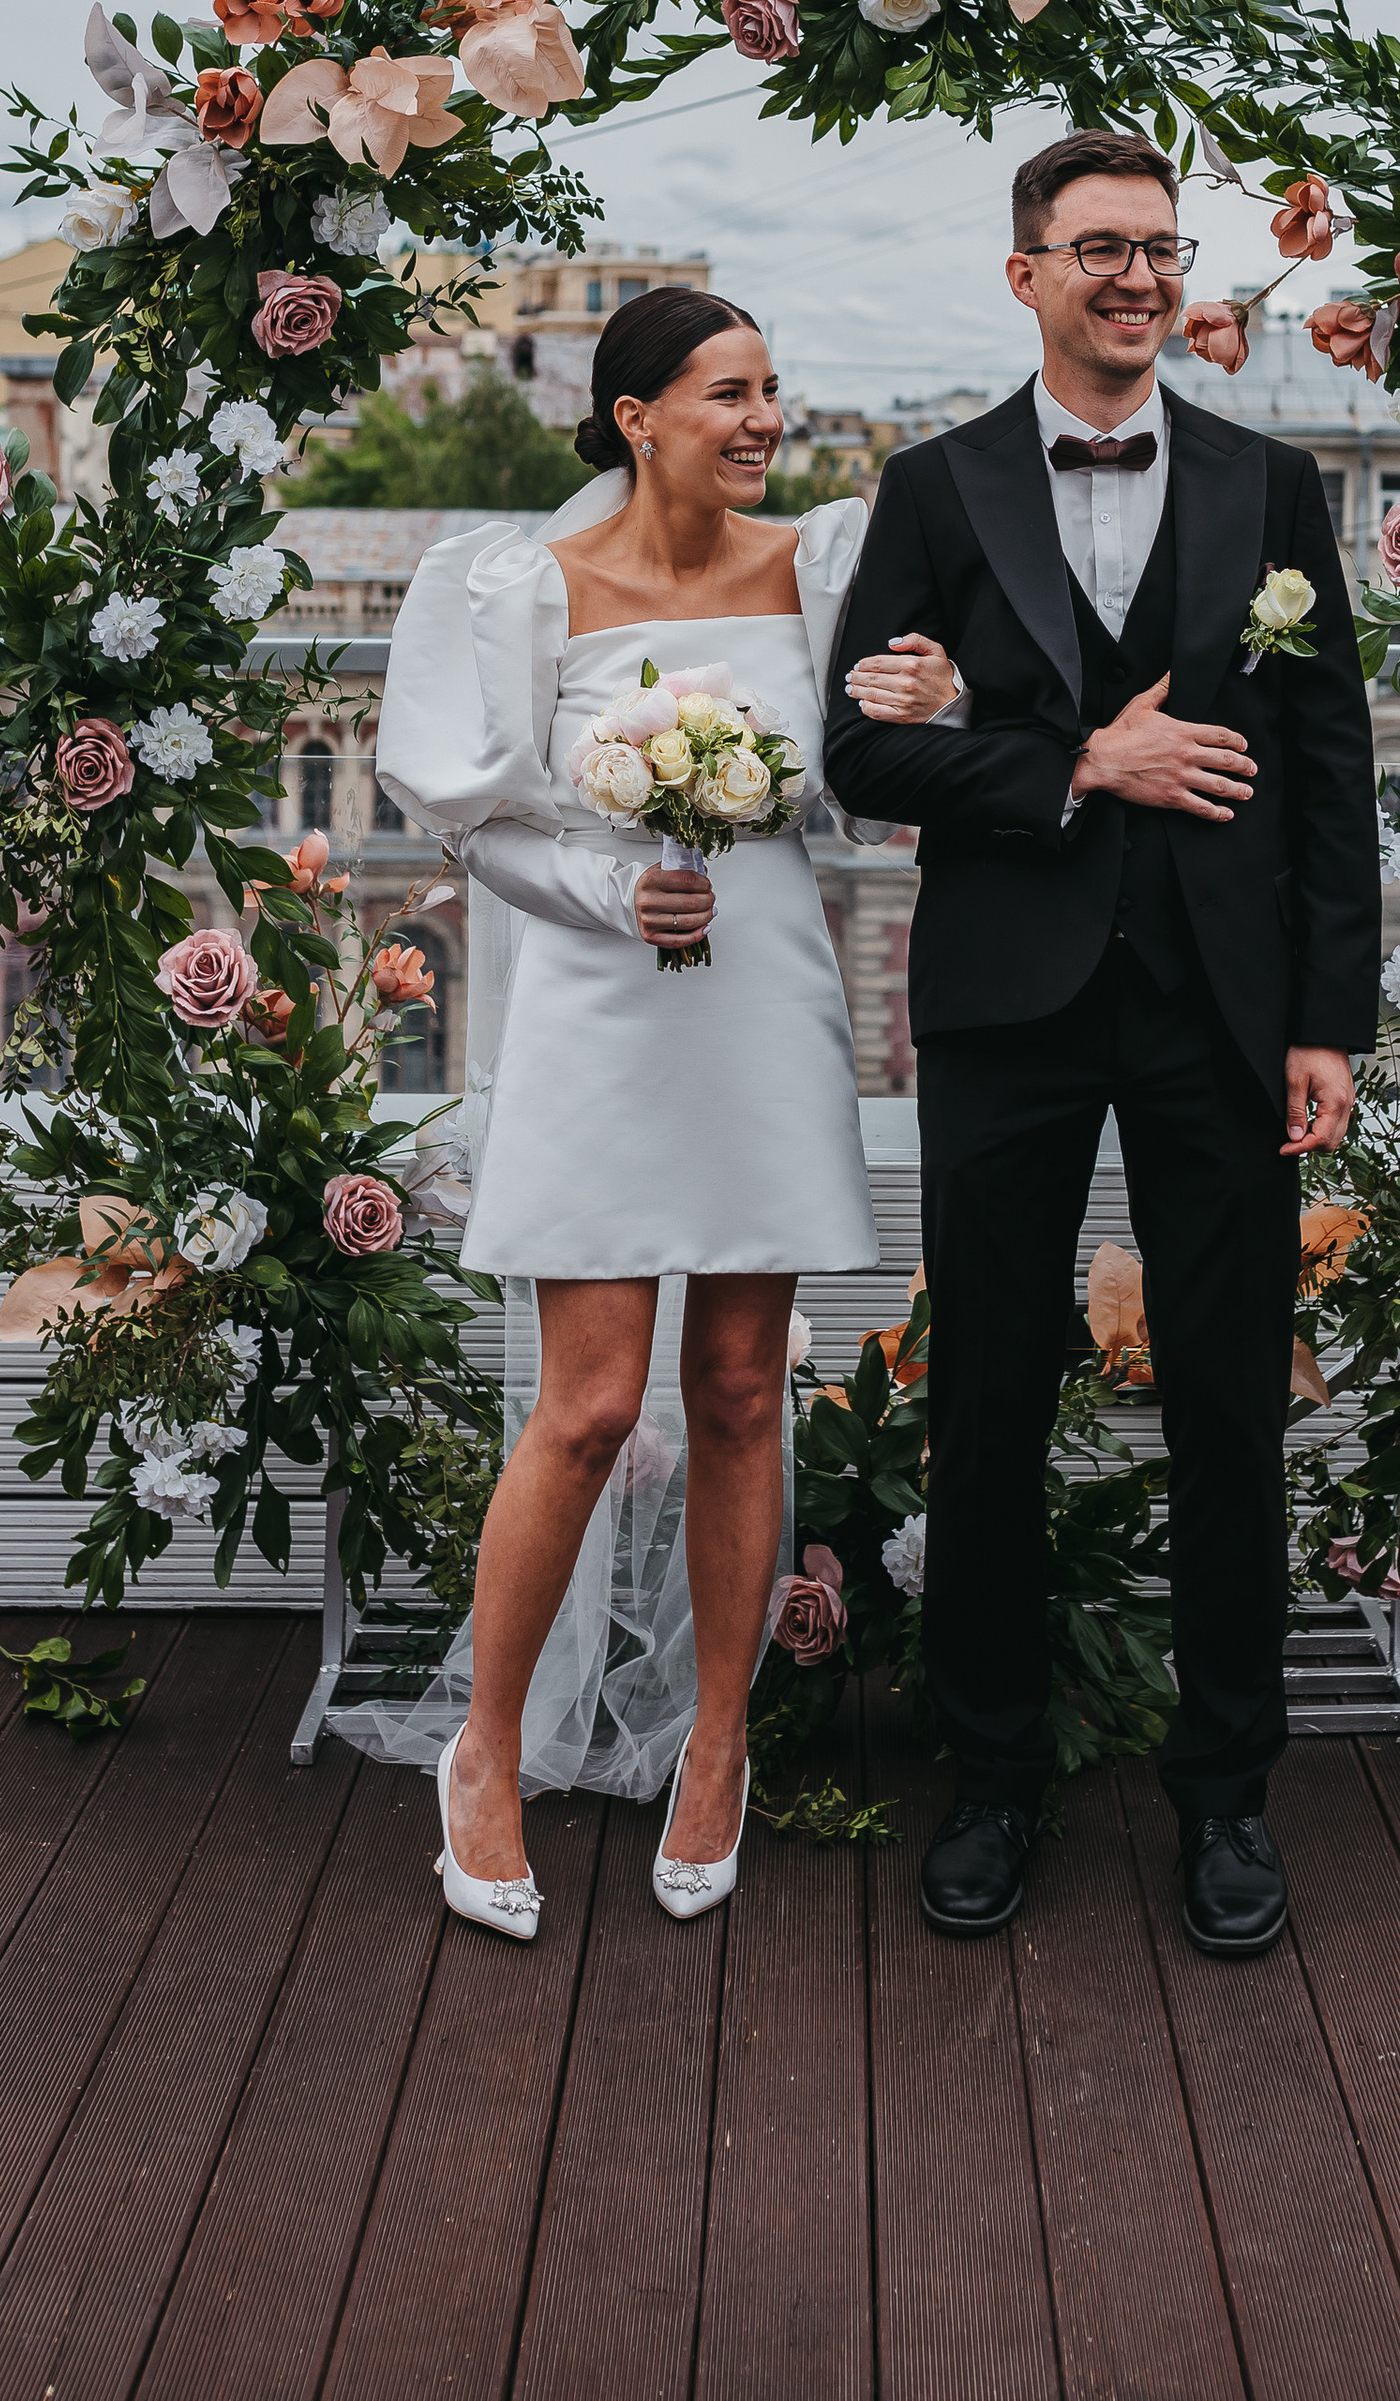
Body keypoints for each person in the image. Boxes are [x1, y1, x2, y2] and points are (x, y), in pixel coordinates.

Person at [822, 130, 1379, 1960]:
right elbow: (864, 756)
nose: (1133, 277)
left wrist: (1326, 1020)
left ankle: (1226, 1797)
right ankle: (991, 1779)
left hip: (1223, 1010)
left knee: (1229, 1401)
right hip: (1008, 1002)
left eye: (1157, 247)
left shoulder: (1273, 487)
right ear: (1027, 275)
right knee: (985, 1398)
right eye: (1096, 250)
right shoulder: (933, 486)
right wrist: (1075, 760)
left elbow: (1325, 773)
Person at [373, 286, 957, 1939]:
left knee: (739, 1388)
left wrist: (929, 712)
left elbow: (870, 791)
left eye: (773, 390)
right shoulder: (513, 589)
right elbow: (473, 830)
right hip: (595, 1006)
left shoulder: (827, 570)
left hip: (766, 993)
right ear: (635, 415)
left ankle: (719, 1741)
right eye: (727, 391)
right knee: (584, 1402)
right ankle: (481, 1756)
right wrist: (612, 895)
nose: (764, 419)